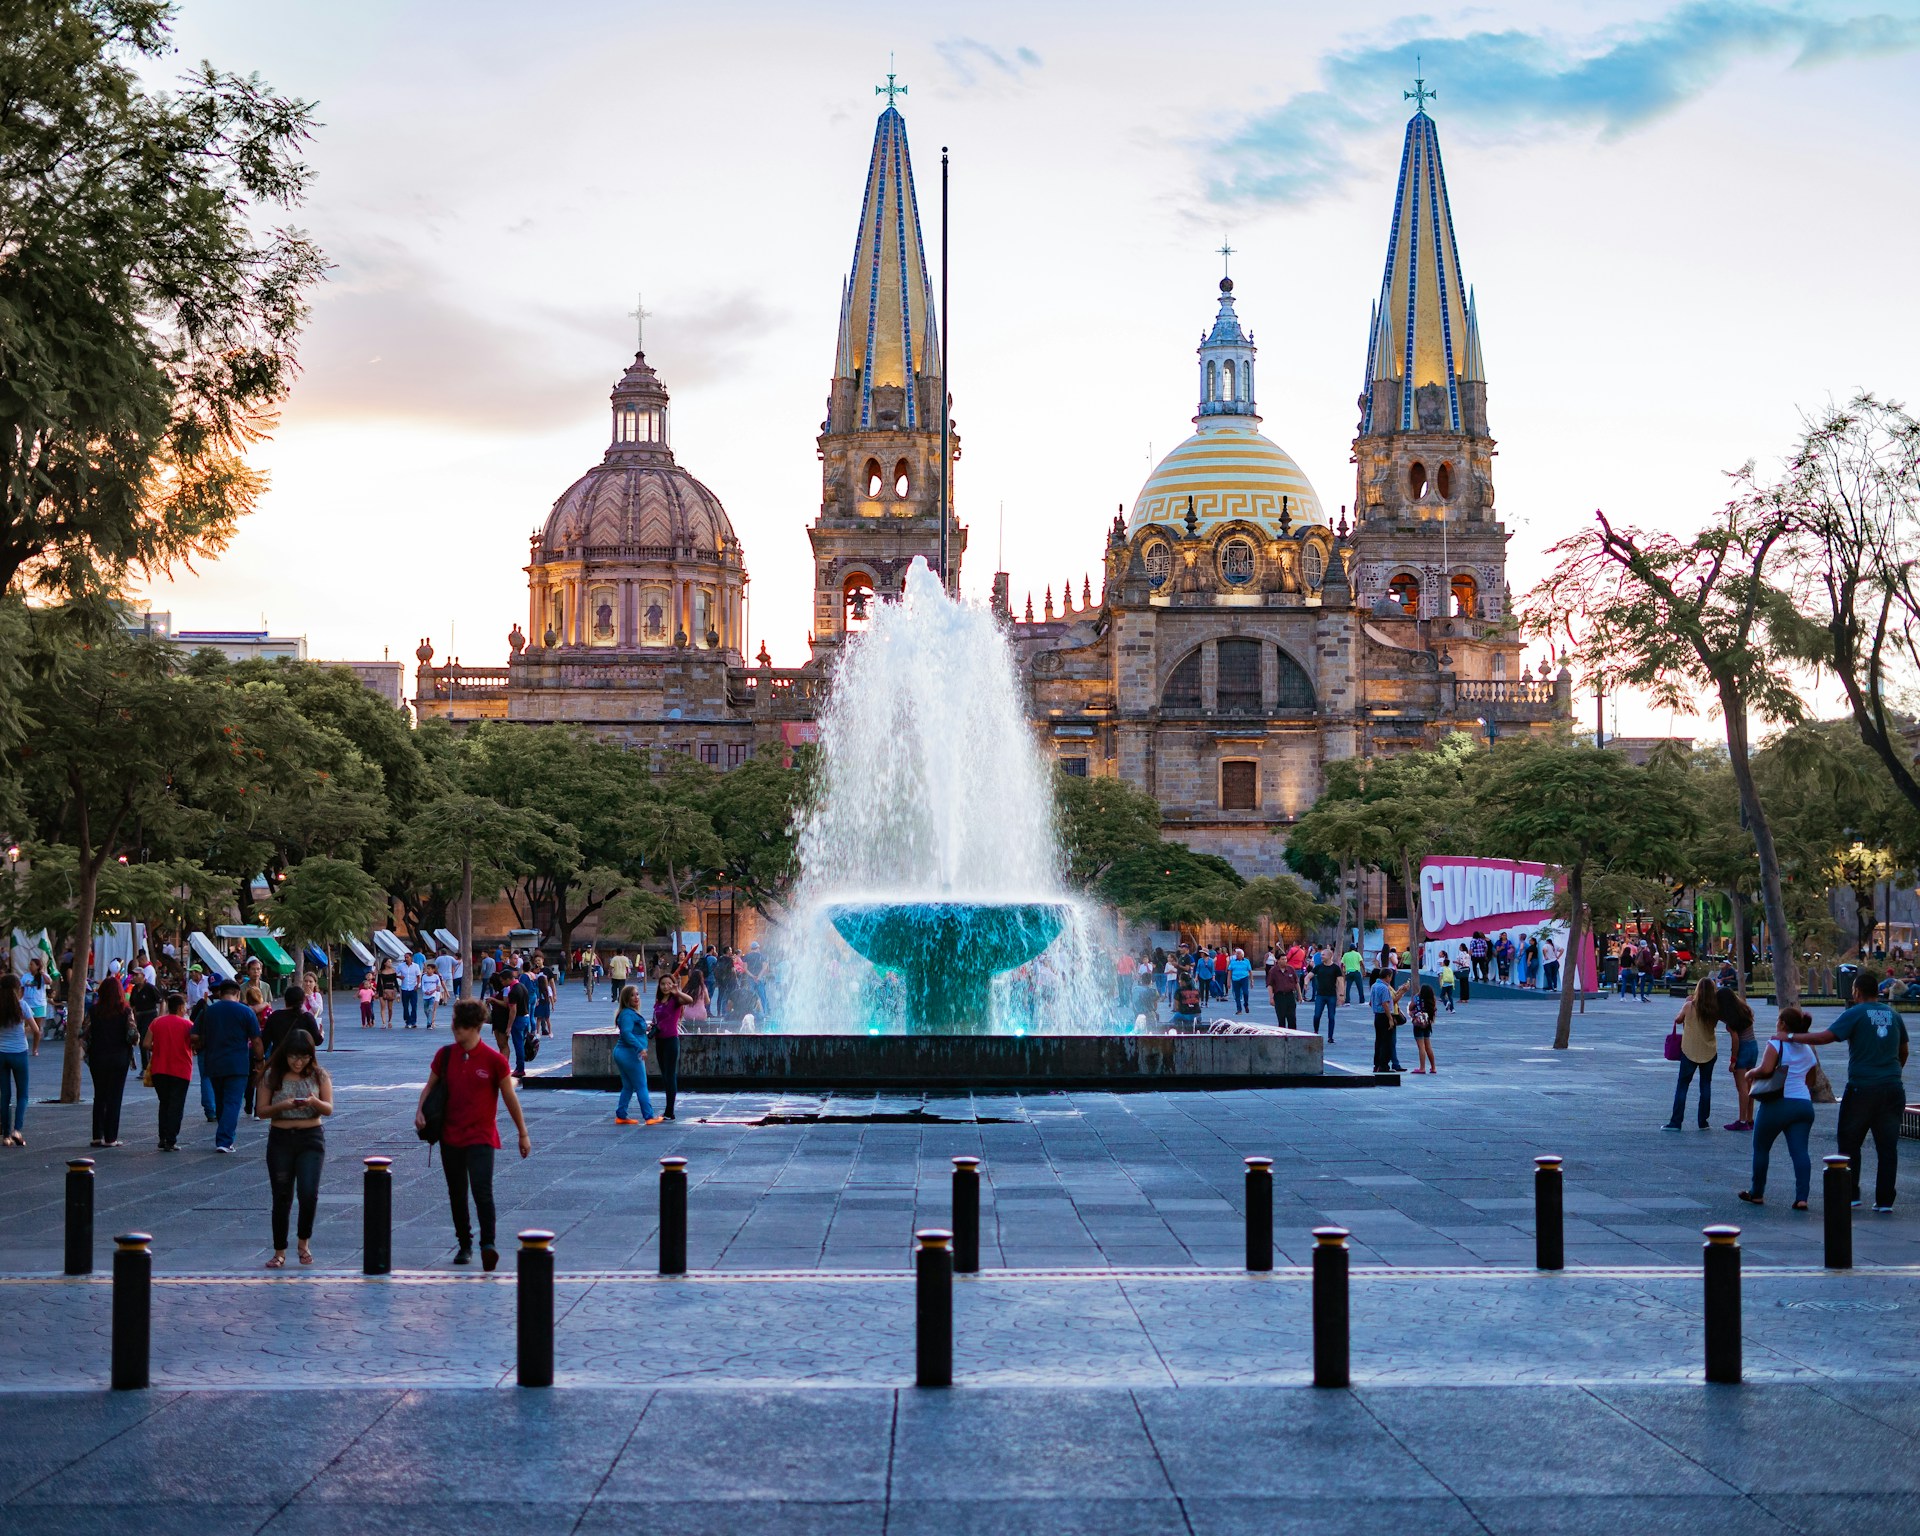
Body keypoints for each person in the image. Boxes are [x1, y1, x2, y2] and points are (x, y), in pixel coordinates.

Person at [416, 1000, 531, 1269]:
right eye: (456, 1025)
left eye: (464, 1027)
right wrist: (420, 1110)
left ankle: (488, 1244)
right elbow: (429, 1087)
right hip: (450, 1136)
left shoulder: (494, 1061)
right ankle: (465, 1244)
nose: (458, 1031)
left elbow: (510, 1098)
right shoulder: (444, 1055)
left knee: (482, 1191)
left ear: (477, 1027)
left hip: (481, 1136)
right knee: (457, 1192)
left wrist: (522, 1133)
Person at [1786, 968, 1909, 1212]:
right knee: (1887, 1147)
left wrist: (1792, 1036)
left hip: (1862, 1088)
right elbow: (1903, 1050)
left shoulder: (1855, 1013)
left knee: (1850, 1142)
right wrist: (1892, 1072)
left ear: (1857, 992)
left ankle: (1851, 1194)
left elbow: (1826, 1037)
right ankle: (1885, 1201)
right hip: (1892, 1088)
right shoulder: (1894, 1015)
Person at [256, 1029, 332, 1267]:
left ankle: (303, 1244)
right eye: (293, 1057)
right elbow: (261, 1111)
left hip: (311, 1137)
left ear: (311, 1056)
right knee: (281, 1195)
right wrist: (283, 1105)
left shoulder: (319, 1075)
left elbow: (328, 1108)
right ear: (285, 1055)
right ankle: (279, 1251)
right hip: (280, 1138)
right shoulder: (272, 1076)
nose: (298, 1062)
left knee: (308, 1193)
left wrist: (313, 1102)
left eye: (304, 1057)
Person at [1739, 1005, 1819, 1210]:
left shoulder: (1776, 1044)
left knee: (1761, 1148)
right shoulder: (1808, 1048)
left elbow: (1766, 1070)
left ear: (1782, 1023)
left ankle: (1757, 1193)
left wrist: (1750, 1074)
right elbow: (1811, 1079)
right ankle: (1802, 1198)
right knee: (1800, 1152)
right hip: (1802, 1104)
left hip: (1777, 1103)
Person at [192, 978, 264, 1153]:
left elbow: (194, 1036)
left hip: (214, 1062)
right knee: (233, 1101)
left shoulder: (208, 1011)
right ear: (238, 994)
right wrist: (259, 1060)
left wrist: (204, 1042)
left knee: (220, 1099)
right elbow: (256, 1040)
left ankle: (223, 1135)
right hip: (238, 1063)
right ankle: (224, 1140)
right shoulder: (246, 1012)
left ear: (220, 993)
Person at [80, 975, 139, 1147]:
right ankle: (110, 1137)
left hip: (98, 1057)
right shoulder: (125, 1011)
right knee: (114, 1097)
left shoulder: (94, 1011)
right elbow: (132, 1035)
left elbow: (84, 1033)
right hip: (119, 1058)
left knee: (100, 1095)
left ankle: (97, 1135)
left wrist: (88, 1049)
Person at [1663, 978, 1719, 1131]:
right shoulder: (1715, 1008)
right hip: (1709, 1049)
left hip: (1689, 1050)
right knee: (1705, 1086)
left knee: (1683, 1086)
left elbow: (1678, 1020)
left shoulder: (1689, 1006)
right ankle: (1703, 1122)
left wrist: (1686, 1003)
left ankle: (1676, 1122)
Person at [143, 991, 194, 1151]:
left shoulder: (157, 1022)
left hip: (160, 1068)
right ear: (180, 1008)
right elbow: (195, 1042)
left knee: (164, 1103)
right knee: (176, 1105)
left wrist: (157, 1047)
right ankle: (171, 1139)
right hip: (181, 1069)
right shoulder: (188, 1025)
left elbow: (145, 1044)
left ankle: (162, 1136)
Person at [612, 984, 661, 1125]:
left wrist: (645, 1027)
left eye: (637, 994)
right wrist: (640, 1048)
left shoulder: (629, 1013)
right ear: (626, 998)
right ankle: (649, 1116)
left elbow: (632, 1030)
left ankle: (621, 1114)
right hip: (629, 1053)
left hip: (623, 1052)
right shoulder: (627, 1013)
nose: (636, 997)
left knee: (628, 1086)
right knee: (641, 1085)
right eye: (632, 995)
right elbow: (626, 1033)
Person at [0, 974, 40, 1147]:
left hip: (1, 1053)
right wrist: (26, 1035)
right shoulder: (22, 1006)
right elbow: (36, 1030)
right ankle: (17, 1129)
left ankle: (6, 1136)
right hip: (19, 1052)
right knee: (22, 1094)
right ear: (18, 989)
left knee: (5, 1095)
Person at [1719, 984, 1758, 1132]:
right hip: (1753, 1046)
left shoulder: (1732, 1017)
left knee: (1742, 1087)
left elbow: (1735, 1040)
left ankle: (1741, 1121)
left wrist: (1733, 1060)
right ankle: (1749, 1119)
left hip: (1743, 1048)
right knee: (1750, 1085)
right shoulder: (1745, 1009)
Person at [262, 984, 322, 1058]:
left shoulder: (275, 1016)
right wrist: (321, 1034)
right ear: (302, 1001)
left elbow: (265, 1041)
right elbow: (317, 1041)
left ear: (285, 1000)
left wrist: (259, 1059)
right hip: (300, 1061)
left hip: (279, 1059)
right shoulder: (307, 1017)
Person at [1368, 968, 1396, 1074]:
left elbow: (1371, 1002)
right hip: (1384, 1015)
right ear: (1388, 976)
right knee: (1386, 1041)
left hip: (1377, 1016)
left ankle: (1377, 1064)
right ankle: (1383, 1065)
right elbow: (1385, 1004)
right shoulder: (1384, 988)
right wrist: (1390, 1019)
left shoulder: (1374, 986)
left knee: (1378, 1040)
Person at [1310, 948, 1339, 1040]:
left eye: (1323, 955)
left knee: (1331, 1017)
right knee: (1317, 1015)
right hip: (1320, 995)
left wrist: (1341, 995)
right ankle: (1315, 1031)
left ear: (1329, 956)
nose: (1321, 956)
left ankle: (1330, 1037)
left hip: (1332, 995)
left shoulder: (1335, 968)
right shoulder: (1318, 967)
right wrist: (1306, 983)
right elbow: (1309, 976)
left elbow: (1340, 981)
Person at [1410, 983, 1438, 1075]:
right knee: (1428, 1046)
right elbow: (1434, 1009)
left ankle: (1422, 1068)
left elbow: (1411, 1007)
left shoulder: (1417, 998)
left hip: (1418, 1023)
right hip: (1427, 1023)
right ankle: (1433, 1067)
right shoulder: (1432, 1000)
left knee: (1421, 1047)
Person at [1266, 950, 1298, 1029]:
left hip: (1290, 995)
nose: (1285, 961)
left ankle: (1293, 1035)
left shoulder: (1290, 969)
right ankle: (1283, 1036)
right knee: (1281, 1018)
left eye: (1286, 959)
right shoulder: (1273, 971)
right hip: (1279, 996)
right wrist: (1271, 998)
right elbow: (1269, 985)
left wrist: (1299, 995)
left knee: (1292, 1018)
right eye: (1283, 959)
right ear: (1278, 960)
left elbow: (1296, 982)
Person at [397, 952, 423, 1028]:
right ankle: (407, 1021)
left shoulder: (416, 966)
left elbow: (418, 976)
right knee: (405, 1006)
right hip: (404, 988)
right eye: (405, 957)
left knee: (414, 1005)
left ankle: (413, 1021)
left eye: (407, 957)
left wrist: (417, 985)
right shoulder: (401, 966)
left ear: (411, 958)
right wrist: (399, 977)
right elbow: (394, 973)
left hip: (413, 988)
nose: (406, 959)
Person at [376, 957, 400, 1027]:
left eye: (391, 962)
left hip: (390, 989)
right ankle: (383, 1023)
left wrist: (398, 991)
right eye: (389, 962)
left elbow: (395, 982)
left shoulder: (393, 971)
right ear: (385, 963)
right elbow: (378, 982)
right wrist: (376, 992)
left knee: (390, 1008)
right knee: (383, 1007)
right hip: (382, 989)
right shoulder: (381, 971)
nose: (390, 963)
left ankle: (389, 1021)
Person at [1229, 948, 1252, 1015]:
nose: (1237, 955)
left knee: (1245, 992)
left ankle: (1246, 1004)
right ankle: (1239, 1009)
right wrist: (1228, 981)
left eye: (1238, 954)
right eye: (1236, 953)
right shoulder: (1233, 962)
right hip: (1235, 979)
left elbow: (1250, 971)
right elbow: (1230, 971)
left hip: (1244, 978)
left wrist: (1252, 980)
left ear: (1242, 955)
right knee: (1237, 995)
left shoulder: (1246, 961)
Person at [421, 961, 445, 1028]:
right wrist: (424, 991)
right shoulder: (424, 976)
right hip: (425, 995)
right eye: (427, 968)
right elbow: (422, 985)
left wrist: (433, 991)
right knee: (425, 1010)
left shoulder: (436, 977)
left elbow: (438, 986)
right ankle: (430, 1019)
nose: (427, 970)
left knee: (430, 1009)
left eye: (429, 969)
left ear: (433, 970)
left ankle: (429, 1024)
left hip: (432, 995)